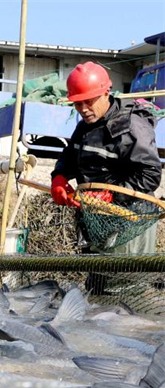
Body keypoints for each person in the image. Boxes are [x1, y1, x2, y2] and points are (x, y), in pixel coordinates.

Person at [50, 61, 162, 255]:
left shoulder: (132, 126)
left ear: (105, 94)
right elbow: (71, 154)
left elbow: (150, 175)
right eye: (77, 103)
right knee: (96, 279)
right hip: (95, 219)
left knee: (123, 281)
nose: (83, 109)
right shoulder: (85, 125)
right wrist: (59, 176)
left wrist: (112, 194)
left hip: (130, 220)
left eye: (89, 101)